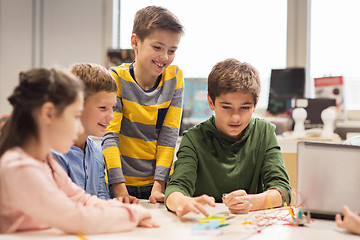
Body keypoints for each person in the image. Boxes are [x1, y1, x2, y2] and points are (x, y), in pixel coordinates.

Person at [0, 68, 158, 234]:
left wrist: (120, 208)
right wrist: (135, 214)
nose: (78, 128)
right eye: (75, 117)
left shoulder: (44, 160)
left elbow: (81, 199)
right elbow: (75, 217)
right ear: (48, 113)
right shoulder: (20, 168)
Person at [164, 58, 292, 217]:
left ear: (255, 104)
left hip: (248, 227)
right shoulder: (193, 138)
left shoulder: (264, 132)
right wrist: (182, 202)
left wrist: (252, 202)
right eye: (226, 107)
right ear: (211, 101)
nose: (236, 118)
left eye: (245, 108)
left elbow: (283, 191)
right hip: (205, 224)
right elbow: (175, 189)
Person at [102, 5, 184, 204]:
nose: (164, 57)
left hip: (156, 184)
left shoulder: (174, 78)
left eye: (171, 50)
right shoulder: (116, 78)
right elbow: (110, 136)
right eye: (157, 47)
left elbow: (168, 135)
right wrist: (119, 188)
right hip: (119, 183)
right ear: (135, 42)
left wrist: (159, 185)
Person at [52, 63, 117, 200]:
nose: (111, 116)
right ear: (76, 105)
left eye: (112, 108)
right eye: (103, 108)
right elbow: (65, 209)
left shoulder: (96, 152)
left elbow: (101, 199)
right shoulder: (53, 154)